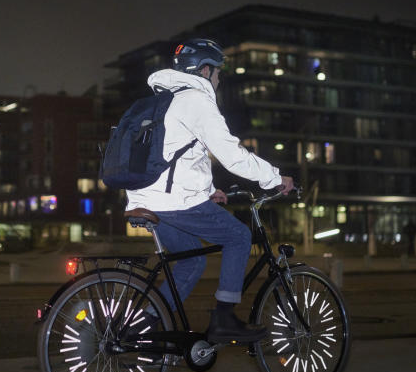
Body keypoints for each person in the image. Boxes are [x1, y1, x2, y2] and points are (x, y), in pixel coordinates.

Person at [126, 38, 294, 343]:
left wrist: (207, 191)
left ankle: (145, 325)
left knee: (192, 261)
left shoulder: (164, 99)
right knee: (239, 236)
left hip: (147, 198)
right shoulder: (195, 100)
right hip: (173, 201)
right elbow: (231, 156)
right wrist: (274, 178)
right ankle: (224, 318)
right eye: (218, 73)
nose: (218, 79)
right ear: (205, 69)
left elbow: (176, 157)